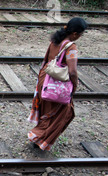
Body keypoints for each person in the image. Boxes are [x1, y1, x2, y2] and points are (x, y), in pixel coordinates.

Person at [28, 17, 88, 151]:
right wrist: (75, 86)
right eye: (80, 34)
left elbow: (45, 61)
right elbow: (72, 72)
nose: (79, 37)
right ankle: (38, 138)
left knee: (46, 112)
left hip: (45, 81)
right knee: (65, 113)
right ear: (75, 34)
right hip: (57, 85)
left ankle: (38, 139)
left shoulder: (54, 40)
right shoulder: (71, 48)